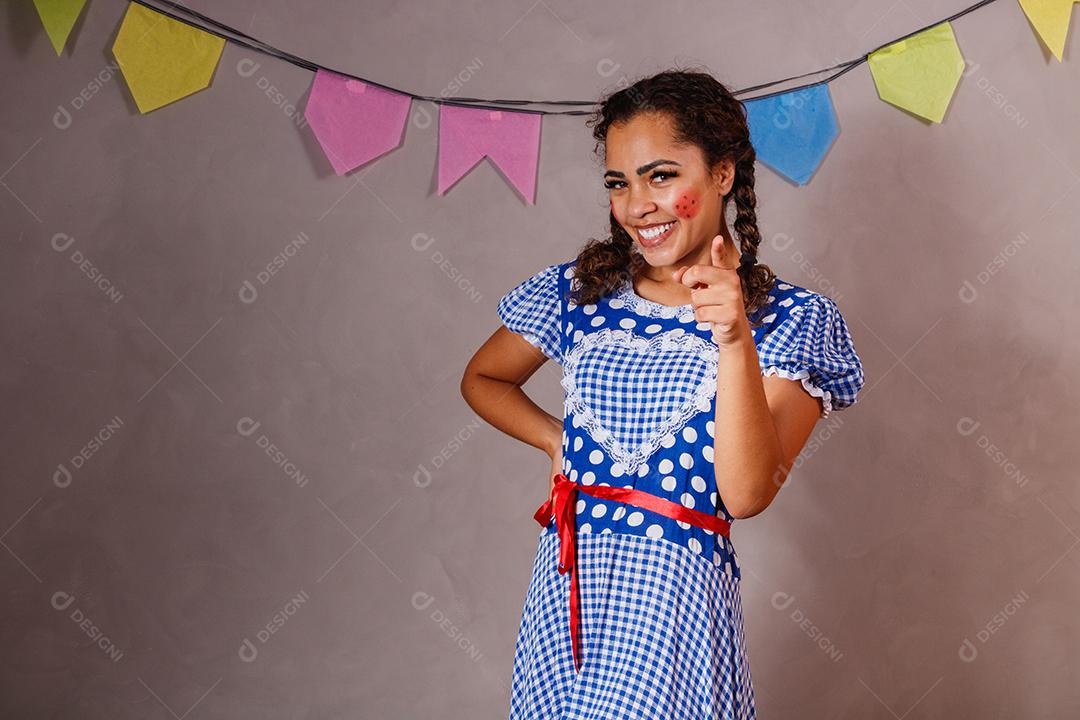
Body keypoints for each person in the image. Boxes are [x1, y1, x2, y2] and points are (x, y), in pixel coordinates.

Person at [460, 68, 865, 720]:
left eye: (661, 175)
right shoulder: (580, 294)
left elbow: (747, 493)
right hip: (569, 594)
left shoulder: (790, 321)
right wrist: (554, 438)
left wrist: (734, 339)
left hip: (673, 609)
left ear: (722, 175)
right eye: (619, 183)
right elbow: (483, 378)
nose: (636, 204)